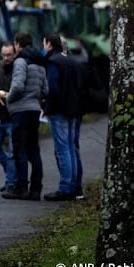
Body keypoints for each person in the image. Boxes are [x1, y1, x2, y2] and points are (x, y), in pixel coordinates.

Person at [0, 32, 48, 200]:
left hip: (20, 110)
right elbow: (45, 90)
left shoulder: (20, 61)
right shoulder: (40, 62)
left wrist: (8, 98)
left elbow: (18, 86)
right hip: (34, 109)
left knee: (20, 150)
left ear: (18, 44)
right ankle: (36, 189)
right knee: (34, 150)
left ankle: (21, 188)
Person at [42, 33, 84, 201]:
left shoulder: (53, 62)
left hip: (59, 110)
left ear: (49, 44)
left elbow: (52, 88)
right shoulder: (70, 61)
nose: (43, 47)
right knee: (71, 147)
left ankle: (65, 187)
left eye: (44, 43)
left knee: (62, 148)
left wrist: (47, 106)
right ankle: (73, 185)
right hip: (74, 108)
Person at [0, 43, 18, 193]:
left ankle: (11, 182)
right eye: (4, 55)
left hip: (12, 116)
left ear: (14, 54)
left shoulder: (18, 68)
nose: (6, 58)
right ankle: (12, 174)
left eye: (9, 55)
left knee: (12, 152)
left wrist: (6, 94)